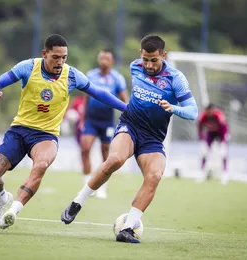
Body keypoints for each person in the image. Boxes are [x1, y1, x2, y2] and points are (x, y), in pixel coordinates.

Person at [61, 35, 198, 243]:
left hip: (153, 138)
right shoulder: (135, 67)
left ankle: (126, 228)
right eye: (145, 59)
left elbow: (193, 111)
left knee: (155, 175)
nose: (149, 65)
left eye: (154, 60)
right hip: (130, 126)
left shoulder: (175, 78)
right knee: (115, 159)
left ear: (164, 55)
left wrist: (174, 108)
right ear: (140, 55)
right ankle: (78, 202)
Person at [0, 34, 127, 230]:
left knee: (41, 165)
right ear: (45, 53)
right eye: (56, 57)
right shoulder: (28, 67)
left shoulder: (72, 75)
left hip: (46, 135)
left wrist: (127, 109)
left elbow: (100, 94)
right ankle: (2, 199)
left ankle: (13, 211)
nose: (60, 62)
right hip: (19, 130)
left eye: (64, 57)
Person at [80, 49, 129, 199]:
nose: (103, 61)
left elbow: (124, 99)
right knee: (85, 148)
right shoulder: (91, 75)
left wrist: (128, 116)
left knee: (106, 154)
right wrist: (82, 117)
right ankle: (87, 186)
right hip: (91, 119)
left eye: (107, 58)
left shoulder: (117, 78)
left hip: (107, 121)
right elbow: (86, 97)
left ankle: (101, 188)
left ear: (112, 61)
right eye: (101, 58)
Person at [197, 103, 230, 184]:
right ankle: (202, 174)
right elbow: (199, 127)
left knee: (223, 153)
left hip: (221, 134)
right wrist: (201, 137)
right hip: (210, 134)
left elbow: (224, 128)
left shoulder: (219, 116)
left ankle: (224, 175)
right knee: (204, 153)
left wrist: (224, 139)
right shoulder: (203, 116)